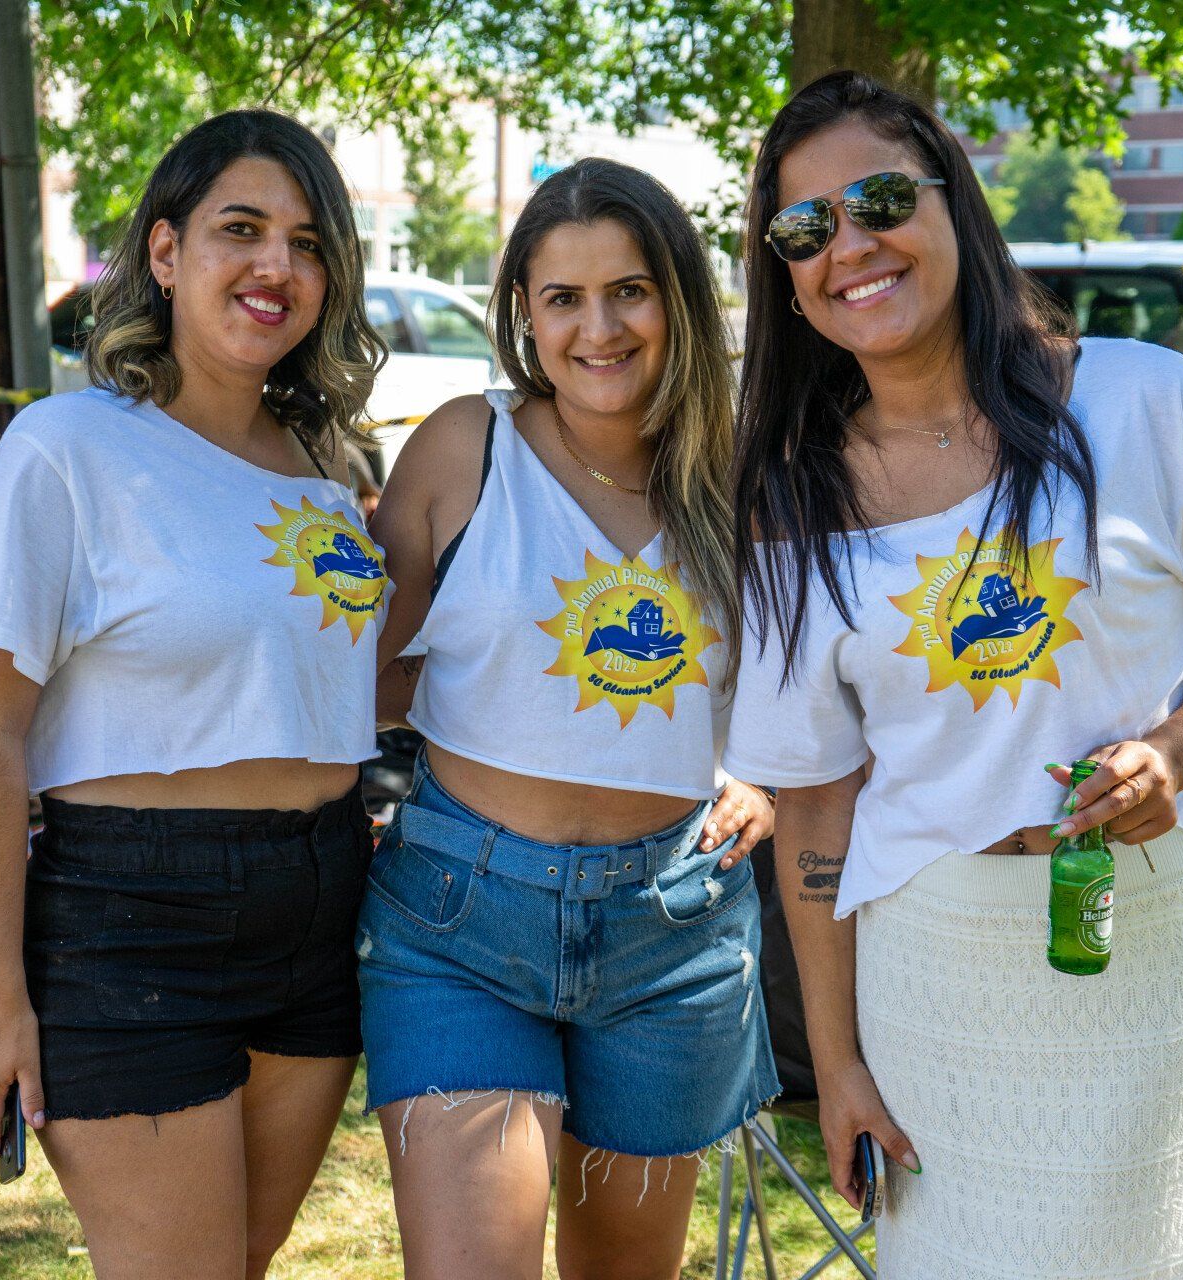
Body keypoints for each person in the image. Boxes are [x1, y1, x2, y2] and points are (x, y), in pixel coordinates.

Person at [723, 72, 1183, 1278]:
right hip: (933, 965)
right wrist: (834, 1064)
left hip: (1145, 938)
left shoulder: (1145, 398)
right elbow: (817, 801)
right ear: (784, 273)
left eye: (882, 197)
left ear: (957, 203)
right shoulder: (795, 498)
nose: (851, 244)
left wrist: (1178, 748)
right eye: (806, 228)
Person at [0, 111, 387, 1279]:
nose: (275, 265)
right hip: (132, 918)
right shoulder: (67, 449)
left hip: (325, 903)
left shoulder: (331, 481)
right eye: (241, 229)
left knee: (239, 1260)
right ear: (166, 251)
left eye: (306, 240)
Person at [362, 157, 778, 1280]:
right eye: (563, 298)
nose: (599, 326)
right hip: (462, 920)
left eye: (630, 290)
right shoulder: (464, 445)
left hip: (676, 929)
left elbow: (808, 692)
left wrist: (762, 772)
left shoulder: (744, 474)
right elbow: (361, 676)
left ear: (678, 301)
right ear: (525, 317)